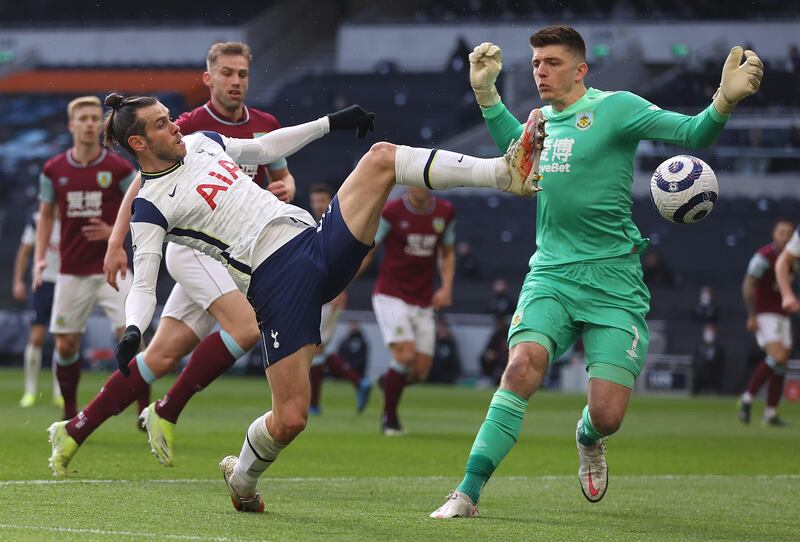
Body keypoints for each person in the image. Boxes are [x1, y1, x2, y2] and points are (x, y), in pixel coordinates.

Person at [52, 84, 543, 510]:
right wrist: (135, 329)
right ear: (139, 142)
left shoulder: (203, 142)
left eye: (170, 118)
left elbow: (266, 146)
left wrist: (332, 122)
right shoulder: (150, 206)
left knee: (381, 159)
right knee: (290, 420)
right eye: (163, 125)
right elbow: (143, 281)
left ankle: (505, 174)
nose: (175, 126)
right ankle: (242, 478)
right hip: (276, 284)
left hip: (313, 242)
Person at [430, 26, 762, 518]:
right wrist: (487, 96)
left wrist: (723, 101)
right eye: (536, 62)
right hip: (552, 274)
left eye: (552, 62)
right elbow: (515, 157)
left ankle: (588, 437)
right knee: (521, 368)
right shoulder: (538, 119)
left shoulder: (617, 108)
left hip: (614, 284)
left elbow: (693, 134)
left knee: (607, 415)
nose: (540, 70)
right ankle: (467, 492)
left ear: (581, 69)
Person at [45, 42, 297, 475]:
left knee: (159, 357)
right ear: (209, 78)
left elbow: (280, 172)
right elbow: (144, 185)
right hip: (192, 250)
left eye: (242, 75)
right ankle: (168, 409)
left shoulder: (266, 125)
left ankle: (75, 429)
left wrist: (286, 186)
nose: (236, 81)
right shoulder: (185, 126)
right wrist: (116, 241)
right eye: (227, 73)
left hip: (230, 249)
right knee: (247, 327)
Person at [33, 95, 146, 422]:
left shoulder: (120, 168)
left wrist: (113, 233)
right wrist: (40, 259)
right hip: (72, 270)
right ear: (71, 125)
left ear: (101, 124)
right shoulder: (53, 170)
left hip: (115, 267)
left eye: (94, 118)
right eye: (82, 118)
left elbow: (143, 206)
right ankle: (70, 414)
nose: (89, 123)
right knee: (66, 346)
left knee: (132, 336)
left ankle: (143, 412)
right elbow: (45, 216)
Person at [361, 186, 456, 435]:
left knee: (420, 371)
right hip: (390, 295)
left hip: (423, 299)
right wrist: (340, 285)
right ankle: (389, 420)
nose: (420, 186)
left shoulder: (445, 212)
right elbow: (370, 250)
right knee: (404, 355)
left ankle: (388, 381)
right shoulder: (392, 211)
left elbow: (447, 252)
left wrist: (446, 288)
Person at [307, 183, 372, 415]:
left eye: (322, 200)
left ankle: (315, 403)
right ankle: (357, 383)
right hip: (316, 292)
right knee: (317, 348)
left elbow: (364, 254)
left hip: (329, 295)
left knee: (314, 348)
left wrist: (342, 287)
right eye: (314, 201)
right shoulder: (317, 225)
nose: (318, 205)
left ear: (332, 200)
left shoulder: (341, 225)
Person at [738, 218, 794, 426]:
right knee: (777, 356)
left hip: (783, 314)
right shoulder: (764, 257)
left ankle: (770, 413)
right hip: (765, 313)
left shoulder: (793, 259)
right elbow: (748, 284)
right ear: (774, 234)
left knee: (781, 364)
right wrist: (752, 315)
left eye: (789, 233)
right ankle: (747, 398)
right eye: (782, 232)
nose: (786, 236)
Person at [13, 211, 62, 407]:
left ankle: (59, 392)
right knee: (37, 337)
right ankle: (30, 391)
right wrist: (18, 281)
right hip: (42, 283)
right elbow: (24, 252)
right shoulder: (37, 220)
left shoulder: (73, 218)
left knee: (63, 339)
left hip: (66, 283)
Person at [691, 324, 725, 394]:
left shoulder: (719, 348)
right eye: (707, 332)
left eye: (710, 332)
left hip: (714, 373)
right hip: (701, 373)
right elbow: (695, 360)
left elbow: (721, 362)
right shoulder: (699, 347)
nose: (708, 334)